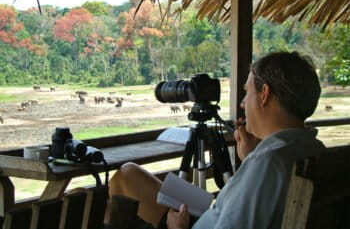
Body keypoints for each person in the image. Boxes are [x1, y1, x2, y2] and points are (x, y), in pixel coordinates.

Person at [106, 51, 327, 229]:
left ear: (265, 94)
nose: (242, 104)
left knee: (123, 179)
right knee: (129, 174)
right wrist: (250, 158)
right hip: (210, 214)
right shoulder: (313, 149)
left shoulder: (268, 163)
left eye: (247, 93)